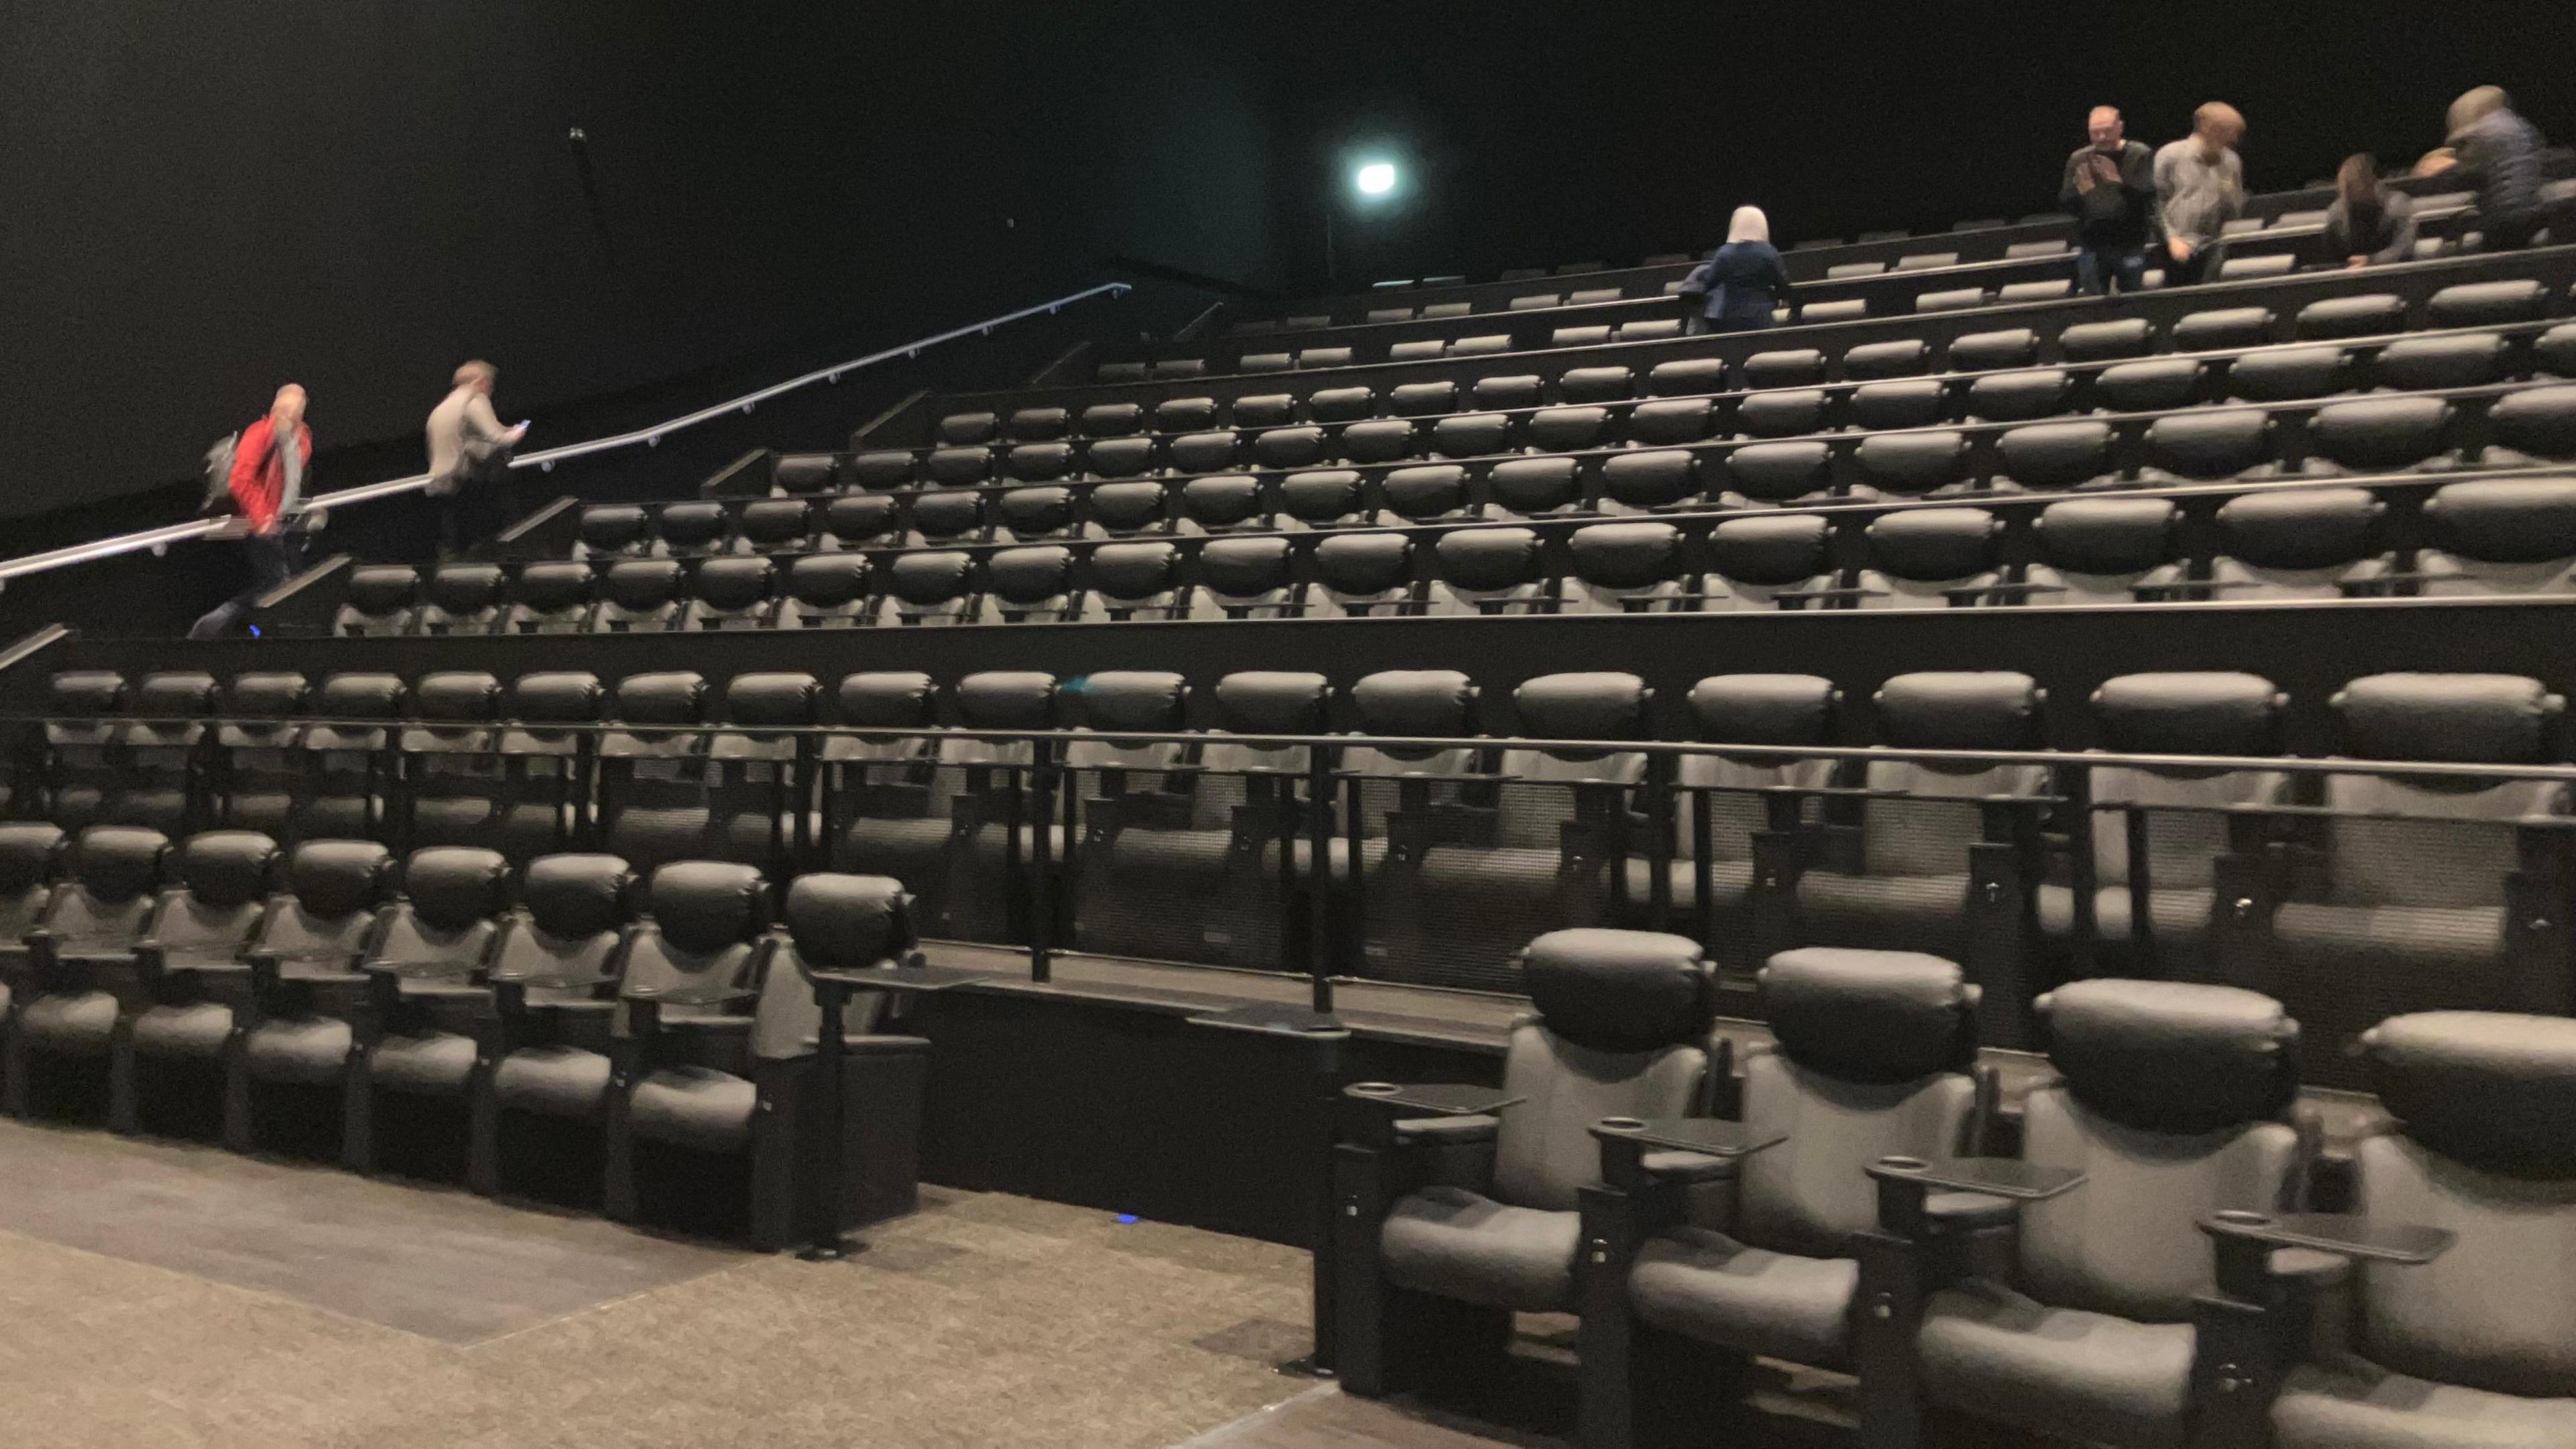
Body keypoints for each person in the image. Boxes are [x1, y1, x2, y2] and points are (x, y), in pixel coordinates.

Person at [188, 384, 313, 639]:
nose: (289, 414)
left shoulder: (302, 438)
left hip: (281, 523)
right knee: (279, 585)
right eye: (285, 408)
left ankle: (254, 633)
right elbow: (240, 480)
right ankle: (211, 628)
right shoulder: (259, 434)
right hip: (258, 523)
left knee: (283, 585)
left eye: (295, 409)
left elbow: (292, 480)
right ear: (275, 408)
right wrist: (263, 517)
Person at [424, 360, 528, 555]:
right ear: (480, 381)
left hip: (444, 486)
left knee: (458, 548)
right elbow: (498, 438)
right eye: (490, 384)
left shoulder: (442, 408)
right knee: (496, 541)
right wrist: (518, 432)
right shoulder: (474, 401)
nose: (491, 389)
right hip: (470, 485)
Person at [2061, 106, 2159, 294]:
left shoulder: (2139, 153)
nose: (2102, 137)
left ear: (2120, 127)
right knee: (2093, 297)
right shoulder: (2079, 158)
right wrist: (2080, 191)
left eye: (2107, 131)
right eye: (2095, 132)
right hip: (2093, 243)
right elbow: (2066, 202)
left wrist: (2118, 181)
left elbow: (2149, 192)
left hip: (2131, 241)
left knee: (2134, 293)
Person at [2154, 102, 2247, 286]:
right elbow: (2156, 203)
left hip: (2214, 246)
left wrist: (2229, 194)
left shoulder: (2231, 160)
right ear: (2207, 128)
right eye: (2228, 131)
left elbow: (2235, 211)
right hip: (2177, 247)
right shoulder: (2171, 155)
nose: (2234, 139)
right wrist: (2172, 239)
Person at [2448, 86, 2546, 250]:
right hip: (2533, 211)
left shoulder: (2481, 132)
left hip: (2504, 215)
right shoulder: (2521, 126)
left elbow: (2467, 173)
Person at [1679, 207, 1794, 334]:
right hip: (1761, 314)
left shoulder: (1724, 253)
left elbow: (1710, 283)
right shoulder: (1769, 253)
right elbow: (1783, 284)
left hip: (1729, 313)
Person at [2320, 154, 2417, 268]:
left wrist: (2372, 261)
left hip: (2393, 270)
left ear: (2371, 181)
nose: (2347, 190)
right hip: (2350, 272)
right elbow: (2331, 255)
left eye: (2353, 184)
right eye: (2345, 185)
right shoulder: (2337, 211)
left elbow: (2405, 247)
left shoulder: (2396, 204)